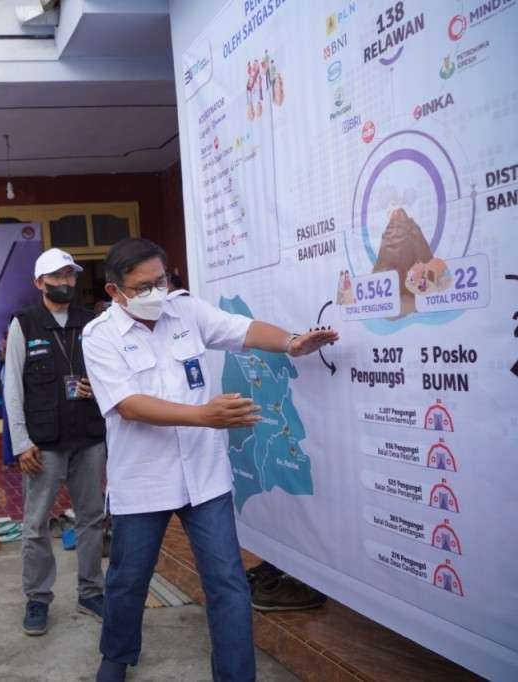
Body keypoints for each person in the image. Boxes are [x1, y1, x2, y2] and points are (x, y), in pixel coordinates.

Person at [82, 238, 338, 682]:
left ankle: (236, 676)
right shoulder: (99, 336)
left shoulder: (186, 310)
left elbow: (241, 329)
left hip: (205, 479)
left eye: (160, 281)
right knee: (128, 582)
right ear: (114, 292)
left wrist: (291, 342)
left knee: (227, 583)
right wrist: (204, 415)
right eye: (142, 287)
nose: (155, 293)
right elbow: (129, 405)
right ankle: (117, 658)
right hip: (144, 482)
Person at [2, 247, 107, 636]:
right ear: (38, 282)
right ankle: (37, 599)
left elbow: (112, 371)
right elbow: (12, 386)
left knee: (92, 518)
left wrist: (97, 387)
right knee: (35, 524)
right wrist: (21, 441)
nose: (64, 283)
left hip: (89, 438)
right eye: (56, 277)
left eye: (70, 276)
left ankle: (92, 592)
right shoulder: (24, 324)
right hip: (43, 443)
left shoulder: (92, 322)